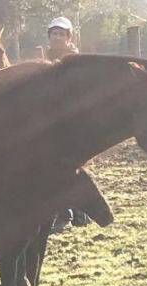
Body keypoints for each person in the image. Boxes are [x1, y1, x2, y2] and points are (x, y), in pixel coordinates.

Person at [45, 16, 93, 233]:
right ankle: (74, 212)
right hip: (50, 119)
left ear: (68, 37)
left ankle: (70, 213)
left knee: (69, 166)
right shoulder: (44, 57)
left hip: (71, 120)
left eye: (61, 34)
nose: (57, 37)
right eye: (54, 33)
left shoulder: (75, 59)